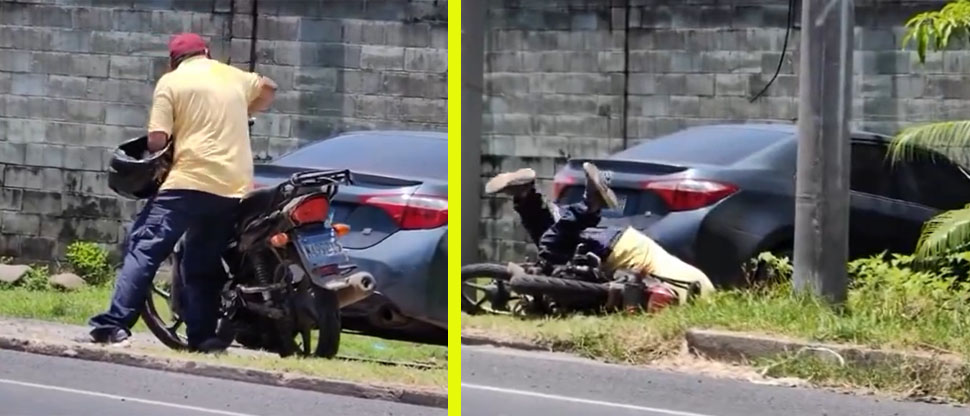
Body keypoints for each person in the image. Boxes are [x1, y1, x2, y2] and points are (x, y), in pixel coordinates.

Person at [87, 33, 278, 352]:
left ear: (173, 60)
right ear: (207, 53)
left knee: (143, 248)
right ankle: (203, 338)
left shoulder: (172, 82)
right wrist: (246, 109)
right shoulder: (233, 76)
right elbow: (269, 87)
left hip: (188, 181)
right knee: (202, 262)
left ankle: (113, 325)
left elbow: (157, 140)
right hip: (232, 186)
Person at [484, 162, 715, 303]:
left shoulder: (698, 283)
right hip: (620, 250)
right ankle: (589, 205)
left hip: (626, 243)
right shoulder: (692, 289)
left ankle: (525, 195)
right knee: (551, 244)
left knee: (552, 240)